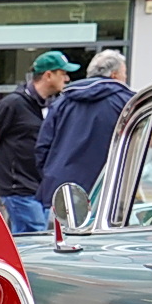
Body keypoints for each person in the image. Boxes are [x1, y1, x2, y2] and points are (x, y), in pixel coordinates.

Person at [0, 50, 79, 233]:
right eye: (63, 74)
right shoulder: (13, 104)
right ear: (48, 75)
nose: (67, 79)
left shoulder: (52, 105)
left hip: (40, 187)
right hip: (18, 187)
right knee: (35, 235)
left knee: (36, 236)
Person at [36, 48, 134, 208]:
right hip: (108, 193)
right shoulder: (127, 103)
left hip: (62, 191)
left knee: (60, 233)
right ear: (115, 75)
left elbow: (42, 147)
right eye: (124, 74)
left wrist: (50, 176)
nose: (125, 79)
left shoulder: (62, 102)